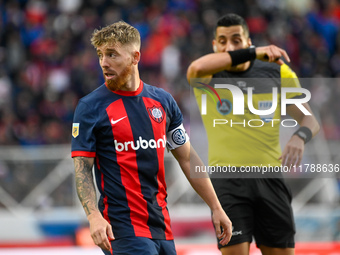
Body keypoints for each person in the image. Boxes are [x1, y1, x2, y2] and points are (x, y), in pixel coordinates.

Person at [71, 21, 232, 255]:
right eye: (100, 55)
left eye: (112, 54)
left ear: (135, 57)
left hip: (162, 228)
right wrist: (93, 216)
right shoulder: (90, 107)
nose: (104, 62)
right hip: (121, 229)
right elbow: (82, 167)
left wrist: (216, 207)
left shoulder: (163, 102)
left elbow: (187, 158)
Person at [186, 14, 320, 255]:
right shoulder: (208, 76)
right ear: (215, 46)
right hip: (227, 182)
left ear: (247, 41)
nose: (230, 46)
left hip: (270, 179)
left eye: (236, 40)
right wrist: (254, 52)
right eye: (223, 41)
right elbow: (194, 68)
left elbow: (309, 120)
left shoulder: (277, 72)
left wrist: (299, 136)